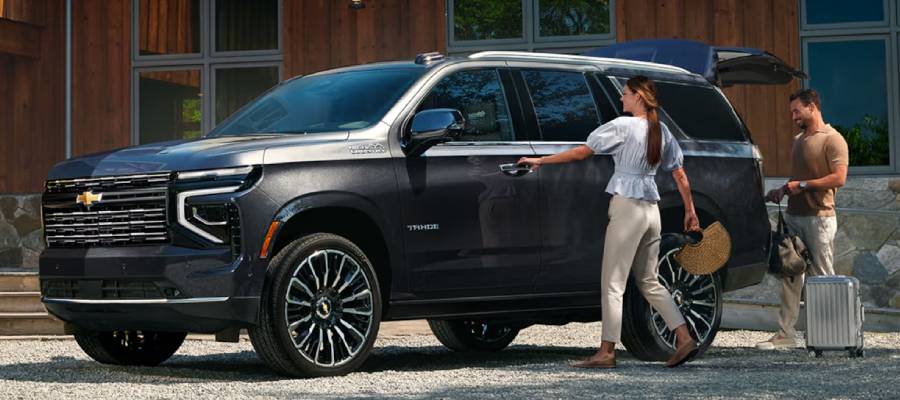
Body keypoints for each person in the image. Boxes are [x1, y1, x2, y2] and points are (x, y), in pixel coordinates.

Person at [518, 76, 701, 368]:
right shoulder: (662, 130)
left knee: (613, 283)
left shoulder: (623, 126)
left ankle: (606, 352)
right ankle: (683, 336)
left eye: (625, 93)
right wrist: (690, 210)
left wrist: (540, 161)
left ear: (639, 96)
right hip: (651, 210)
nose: (621, 98)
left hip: (628, 207)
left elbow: (582, 152)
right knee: (649, 280)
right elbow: (679, 174)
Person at [759, 89, 848, 350]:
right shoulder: (799, 140)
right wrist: (783, 190)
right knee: (790, 273)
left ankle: (832, 335)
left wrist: (804, 184)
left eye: (797, 110)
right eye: (791, 112)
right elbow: (798, 179)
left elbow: (839, 178)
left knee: (821, 278)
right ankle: (786, 334)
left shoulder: (833, 139)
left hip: (819, 219)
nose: (793, 116)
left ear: (812, 107)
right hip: (794, 216)